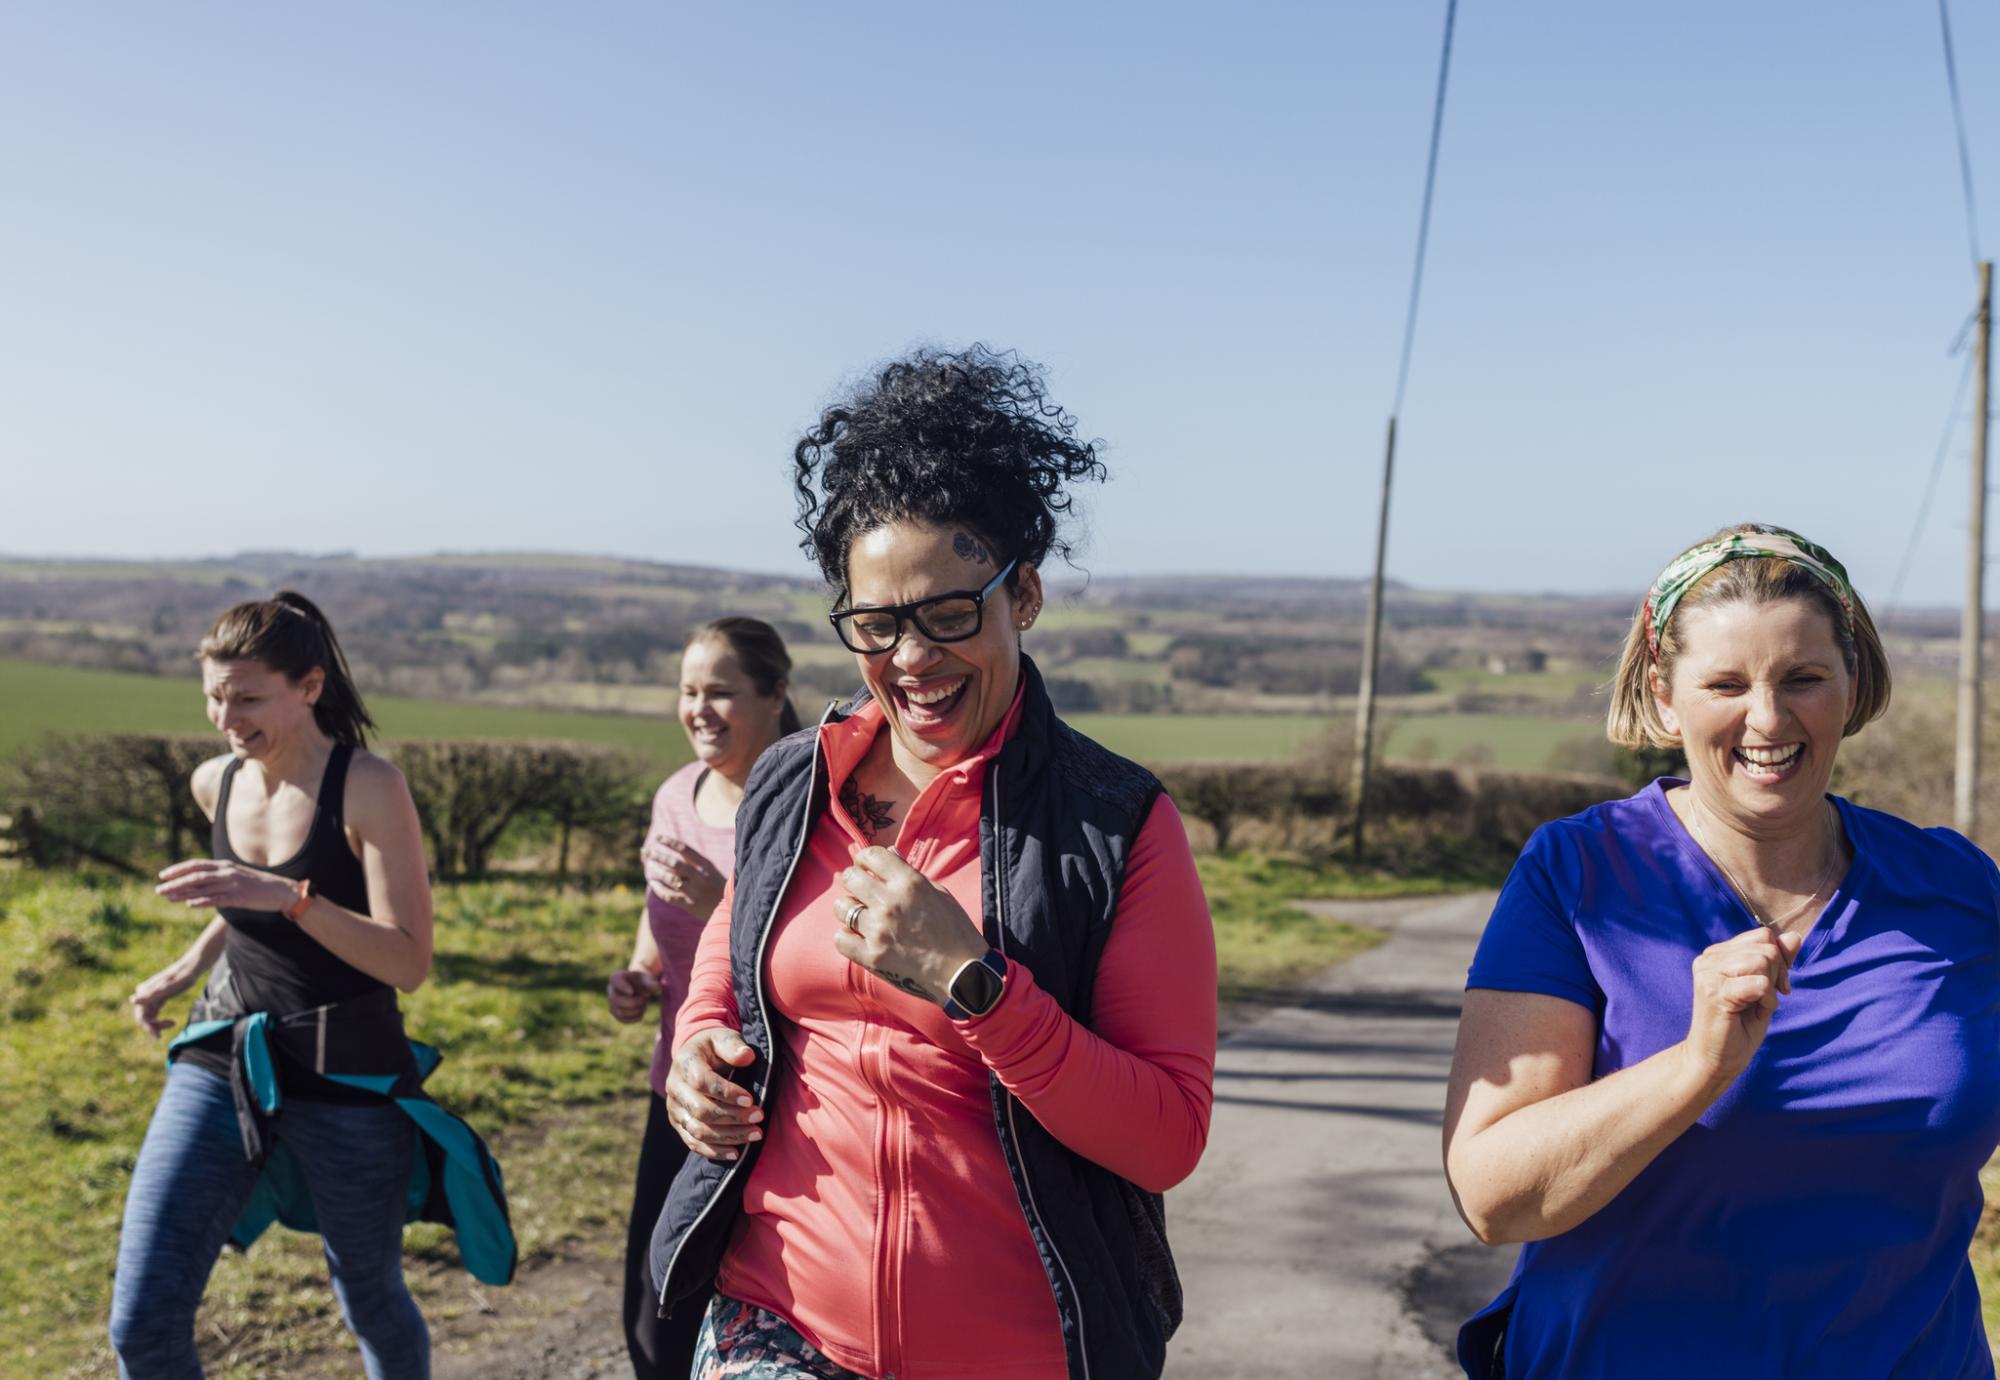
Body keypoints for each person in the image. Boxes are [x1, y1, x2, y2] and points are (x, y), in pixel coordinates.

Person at [648, 345, 1218, 1380]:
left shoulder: (1115, 828)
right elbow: (721, 983)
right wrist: (695, 1060)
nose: (911, 658)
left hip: (1019, 1351)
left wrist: (976, 985)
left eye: (950, 614)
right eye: (877, 622)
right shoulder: (789, 783)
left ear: (1025, 595)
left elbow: (1166, 1137)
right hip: (774, 1321)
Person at [1443, 523, 2000, 1378]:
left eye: (1804, 678)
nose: (1768, 718)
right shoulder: (1580, 875)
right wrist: (1695, 1066)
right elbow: (1493, 1197)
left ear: (1850, 683)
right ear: (1666, 695)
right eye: (1727, 683)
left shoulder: (1958, 888)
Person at [110, 592, 511, 1380]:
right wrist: (187, 967)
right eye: (214, 698)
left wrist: (292, 900)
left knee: (367, 1291)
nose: (227, 720)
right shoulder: (213, 782)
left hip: (349, 1075)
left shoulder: (368, 788)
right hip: (224, 1057)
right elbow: (242, 899)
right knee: (140, 1322)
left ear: (310, 687)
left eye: (249, 698)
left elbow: (406, 962)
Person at [606, 618, 799, 1380]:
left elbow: (824, 948)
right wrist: (639, 974)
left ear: (776, 694)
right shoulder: (676, 796)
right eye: (688, 691)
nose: (699, 709)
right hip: (681, 1091)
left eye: (721, 691)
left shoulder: (812, 801)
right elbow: (659, 918)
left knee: (764, 1322)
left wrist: (725, 898)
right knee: (654, 1319)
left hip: (784, 1106)